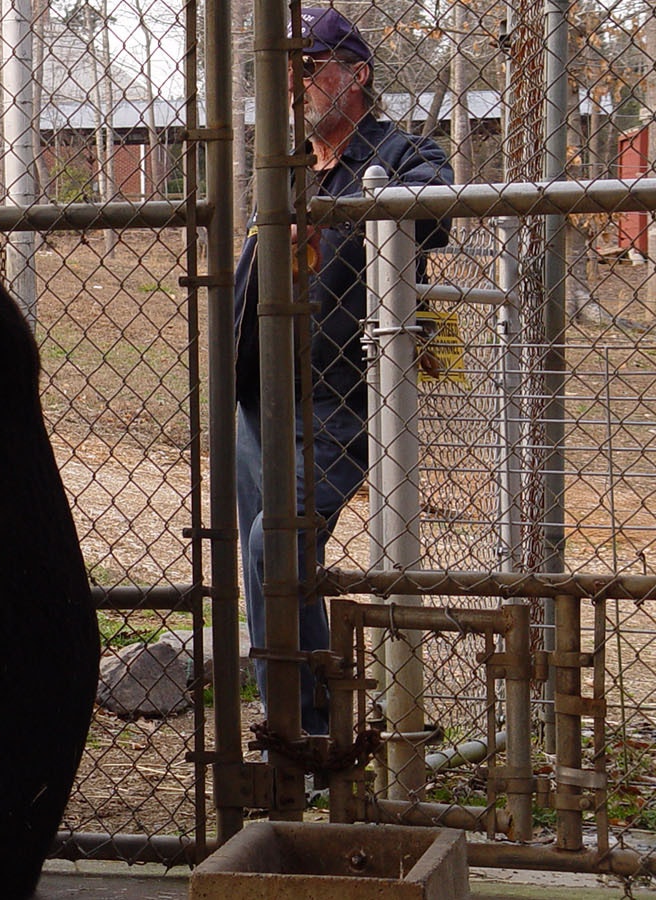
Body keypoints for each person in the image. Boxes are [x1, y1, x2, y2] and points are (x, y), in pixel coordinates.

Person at [232, 7, 452, 734]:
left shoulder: (397, 151)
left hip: (338, 398)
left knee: (279, 544)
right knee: (265, 568)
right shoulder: (287, 165)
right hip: (259, 397)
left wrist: (330, 217)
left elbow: (435, 209)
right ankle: (292, 732)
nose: (293, 87)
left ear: (354, 74)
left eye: (307, 69)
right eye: (282, 74)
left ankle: (312, 735)